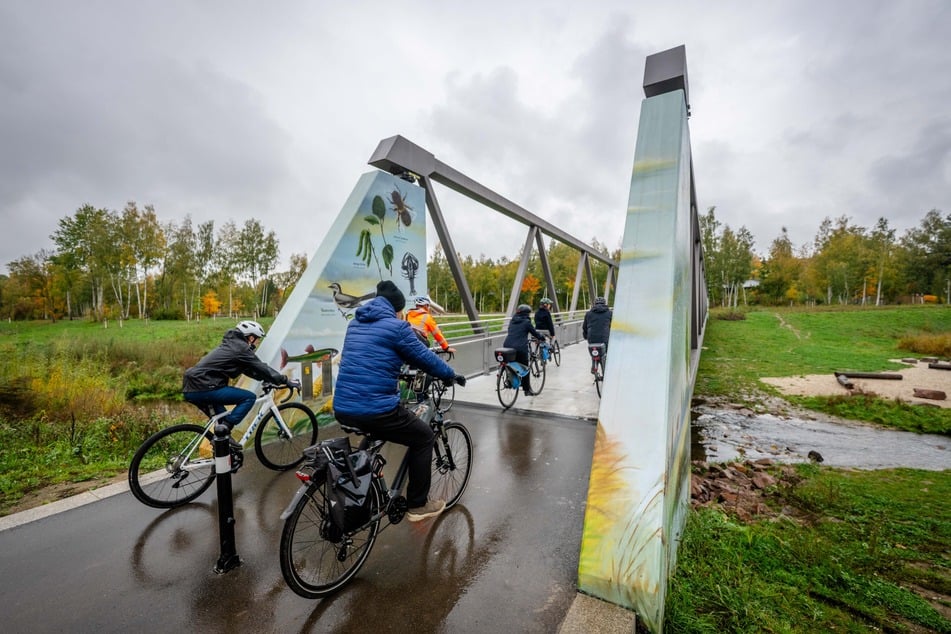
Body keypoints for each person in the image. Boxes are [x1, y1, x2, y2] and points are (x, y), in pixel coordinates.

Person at [333, 280, 467, 523]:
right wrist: (450, 375)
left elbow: (370, 357)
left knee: (374, 431)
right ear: (397, 309)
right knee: (424, 437)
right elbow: (424, 357)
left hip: (343, 407)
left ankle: (359, 486)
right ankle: (417, 505)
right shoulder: (397, 327)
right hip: (375, 409)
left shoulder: (355, 325)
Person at [182, 320, 300, 451]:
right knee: (248, 397)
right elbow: (261, 367)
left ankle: (221, 459)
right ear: (250, 337)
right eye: (257, 339)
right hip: (205, 386)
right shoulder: (241, 348)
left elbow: (249, 370)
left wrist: (267, 379)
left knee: (222, 430)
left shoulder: (232, 345)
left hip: (194, 387)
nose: (257, 343)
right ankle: (226, 430)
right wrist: (285, 380)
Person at [502, 303, 547, 396]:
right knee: (525, 368)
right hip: (520, 348)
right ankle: (527, 390)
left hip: (507, 346)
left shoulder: (512, 321)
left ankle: (509, 381)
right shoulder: (526, 322)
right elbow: (534, 333)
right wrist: (541, 337)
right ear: (527, 314)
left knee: (510, 365)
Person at [583, 296, 613, 361]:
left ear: (595, 304)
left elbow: (585, 327)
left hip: (592, 339)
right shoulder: (609, 313)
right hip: (605, 338)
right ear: (604, 304)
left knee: (594, 352)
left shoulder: (588, 314)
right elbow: (613, 326)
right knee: (607, 353)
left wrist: (585, 336)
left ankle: (594, 363)